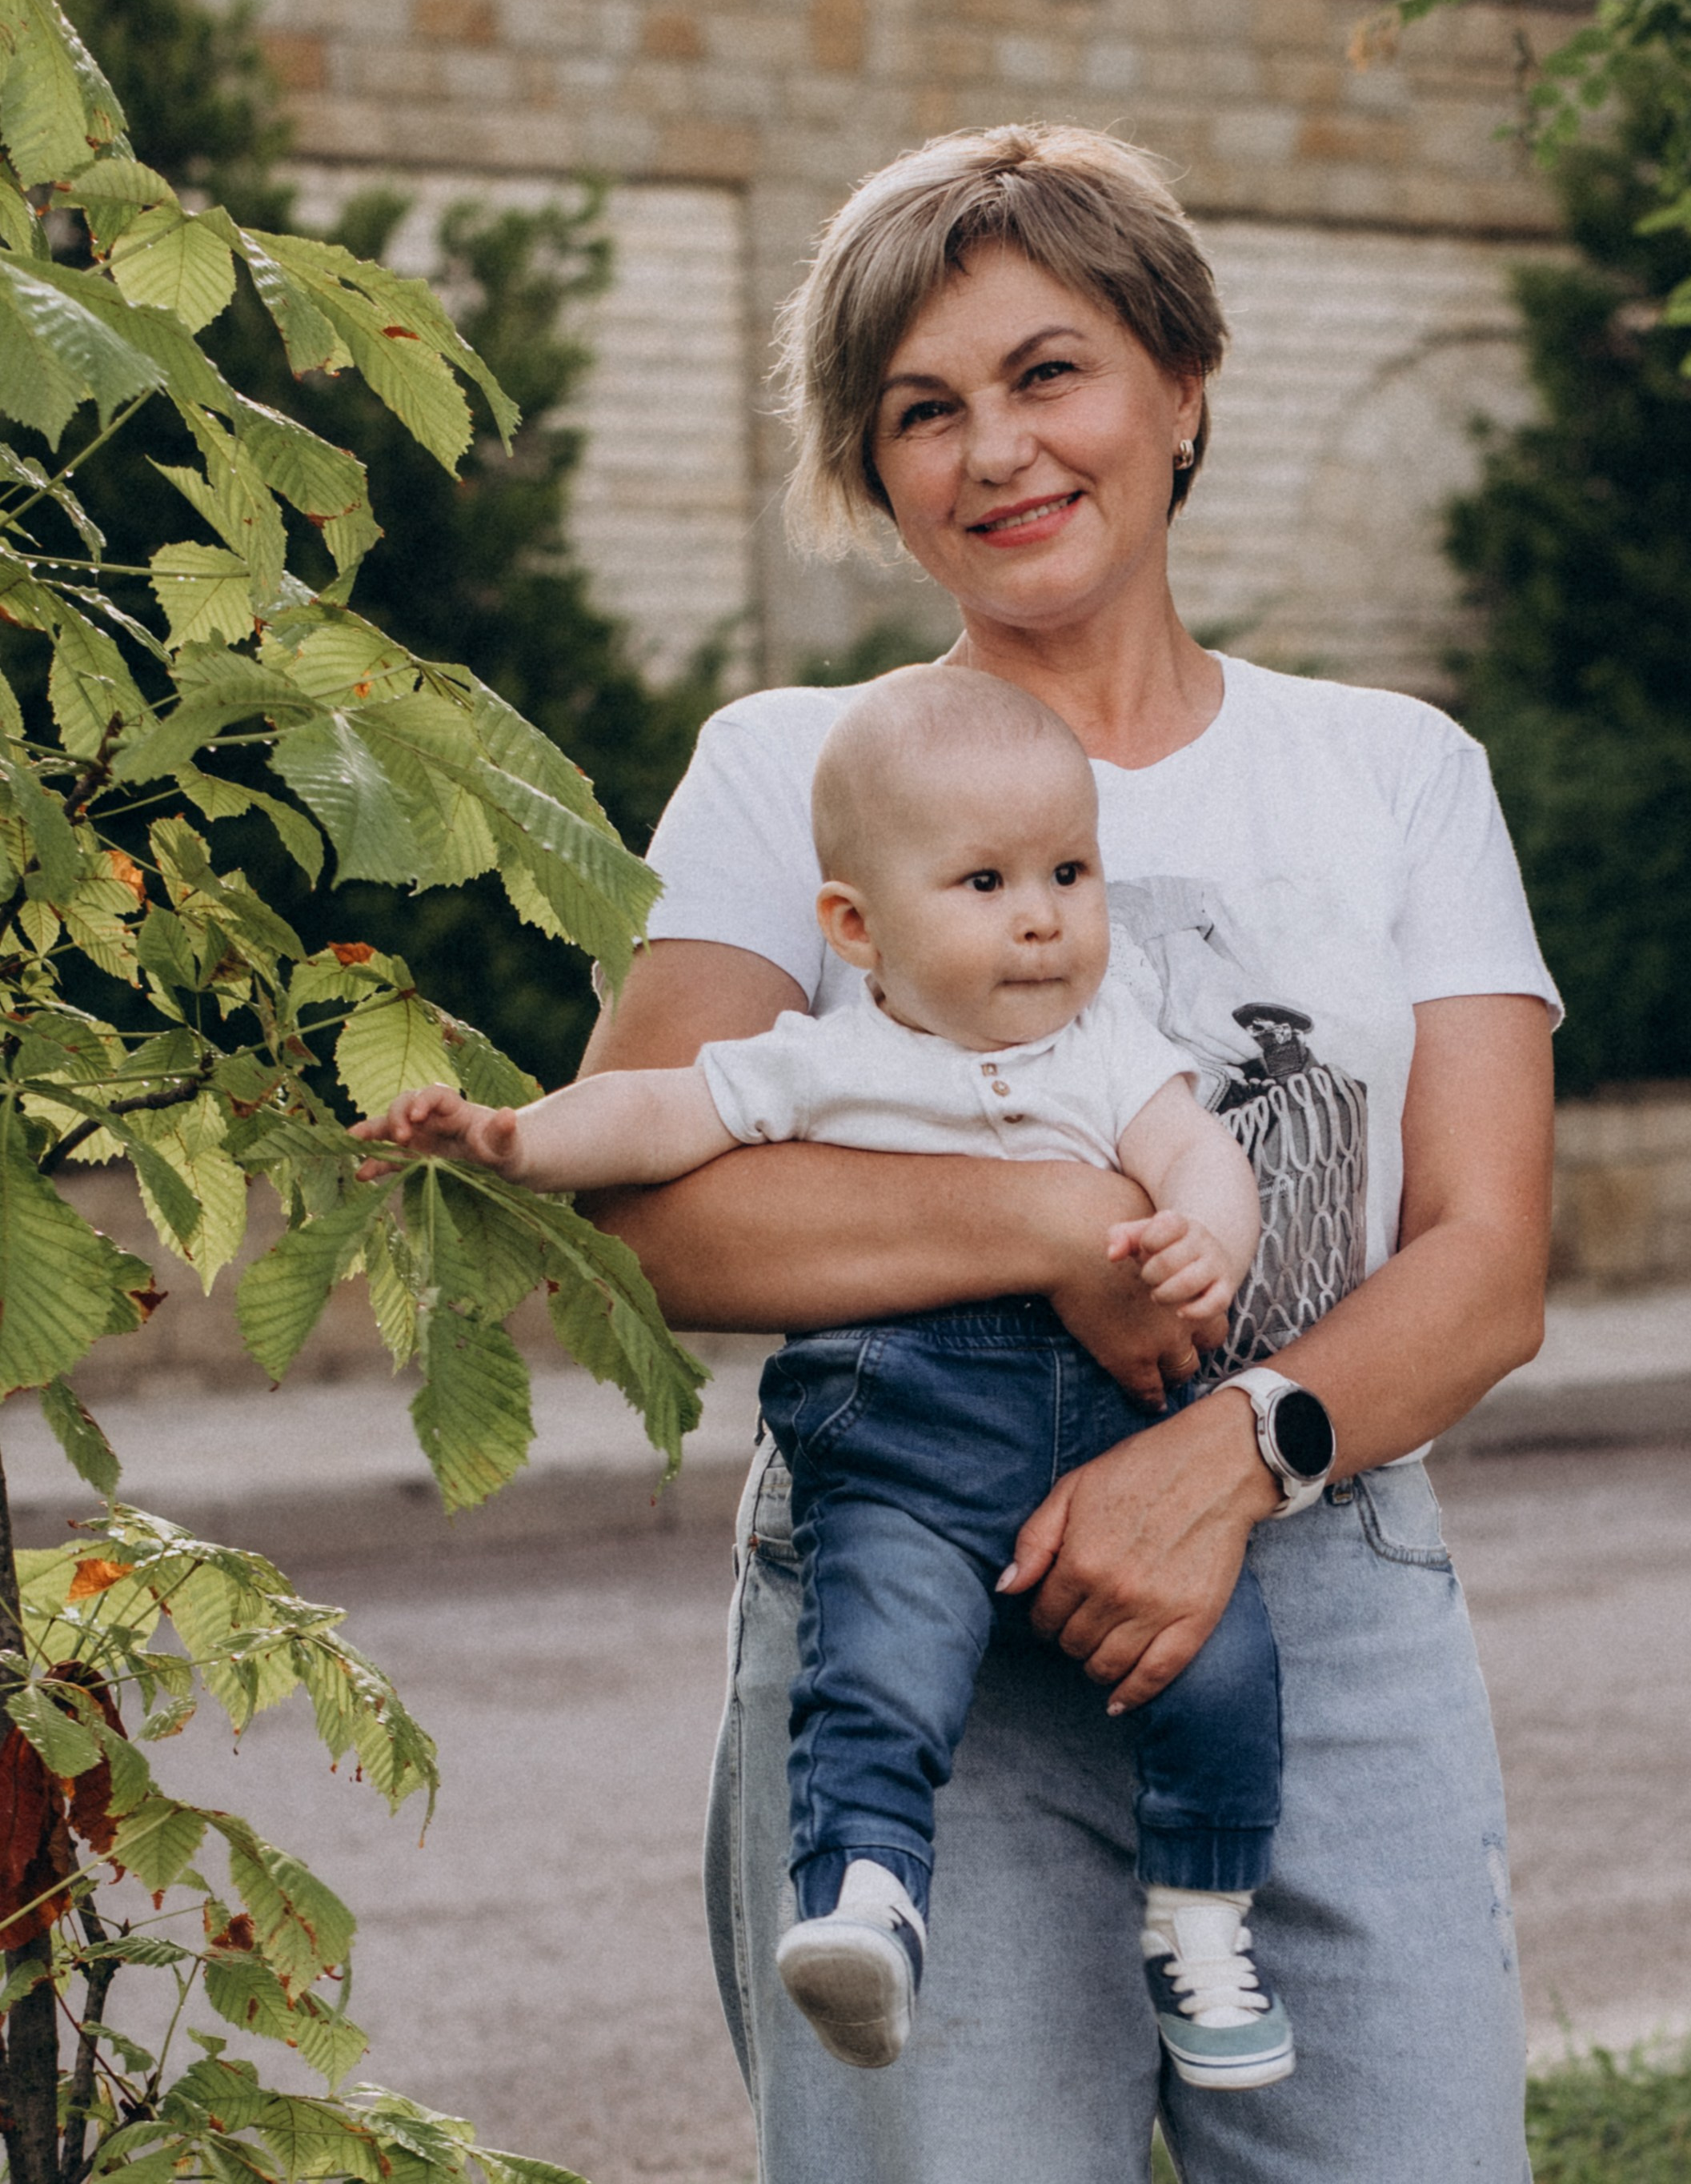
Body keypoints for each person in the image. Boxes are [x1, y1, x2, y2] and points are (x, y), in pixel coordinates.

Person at [577, 123, 1559, 2184]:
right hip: (909, 1580)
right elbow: (657, 1213)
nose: (994, 450)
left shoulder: (1393, 772)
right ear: (872, 466)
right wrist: (1057, 1223)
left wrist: (1229, 1454)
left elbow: (1483, 1257)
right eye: (920, 408)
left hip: (1324, 1576)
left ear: (1179, 383)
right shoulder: (791, 770)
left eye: (1047, 372)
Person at [362, 667, 1298, 2087]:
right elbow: (661, 1113)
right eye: (983, 881)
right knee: (877, 1663)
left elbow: (1199, 1158)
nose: (1042, 913)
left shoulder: (1109, 1050)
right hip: (908, 1442)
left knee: (1223, 1672)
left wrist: (1204, 1246)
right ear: (855, 926)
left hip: (1112, 1444)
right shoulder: (822, 1060)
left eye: (1069, 870)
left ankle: (1201, 1916)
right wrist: (516, 1138)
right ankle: (866, 1903)